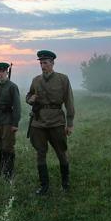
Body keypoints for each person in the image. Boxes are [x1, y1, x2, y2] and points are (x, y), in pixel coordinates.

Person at [26, 50, 75, 195]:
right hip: (38, 122)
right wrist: (30, 99)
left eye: (45, 63)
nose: (42, 66)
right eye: (41, 63)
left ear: (52, 63)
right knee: (40, 153)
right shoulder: (36, 80)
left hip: (56, 122)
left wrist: (70, 123)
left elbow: (69, 101)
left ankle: (65, 183)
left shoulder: (62, 79)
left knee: (61, 153)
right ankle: (44, 186)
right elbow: (28, 95)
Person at [0, 62, 21, 179]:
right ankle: (1, 169)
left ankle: (9, 173)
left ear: (7, 72)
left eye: (3, 71)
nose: (1, 74)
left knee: (8, 146)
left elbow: (17, 106)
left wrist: (15, 123)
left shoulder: (12, 86)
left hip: (7, 119)